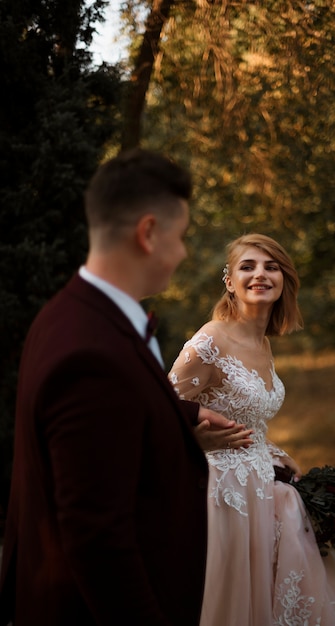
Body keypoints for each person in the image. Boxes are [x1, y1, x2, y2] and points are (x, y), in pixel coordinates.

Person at [0, 149, 251, 626]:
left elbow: (100, 421)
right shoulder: (92, 353)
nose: (183, 253)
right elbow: (98, 539)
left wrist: (187, 415)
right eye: (180, 237)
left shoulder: (68, 315)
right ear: (149, 233)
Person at [169, 233, 335, 626]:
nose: (261, 274)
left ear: (284, 280)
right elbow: (156, 407)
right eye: (248, 266)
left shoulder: (263, 343)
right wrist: (193, 437)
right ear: (229, 282)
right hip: (224, 496)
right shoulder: (211, 339)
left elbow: (247, 418)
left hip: (263, 491)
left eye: (271, 266)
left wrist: (273, 451)